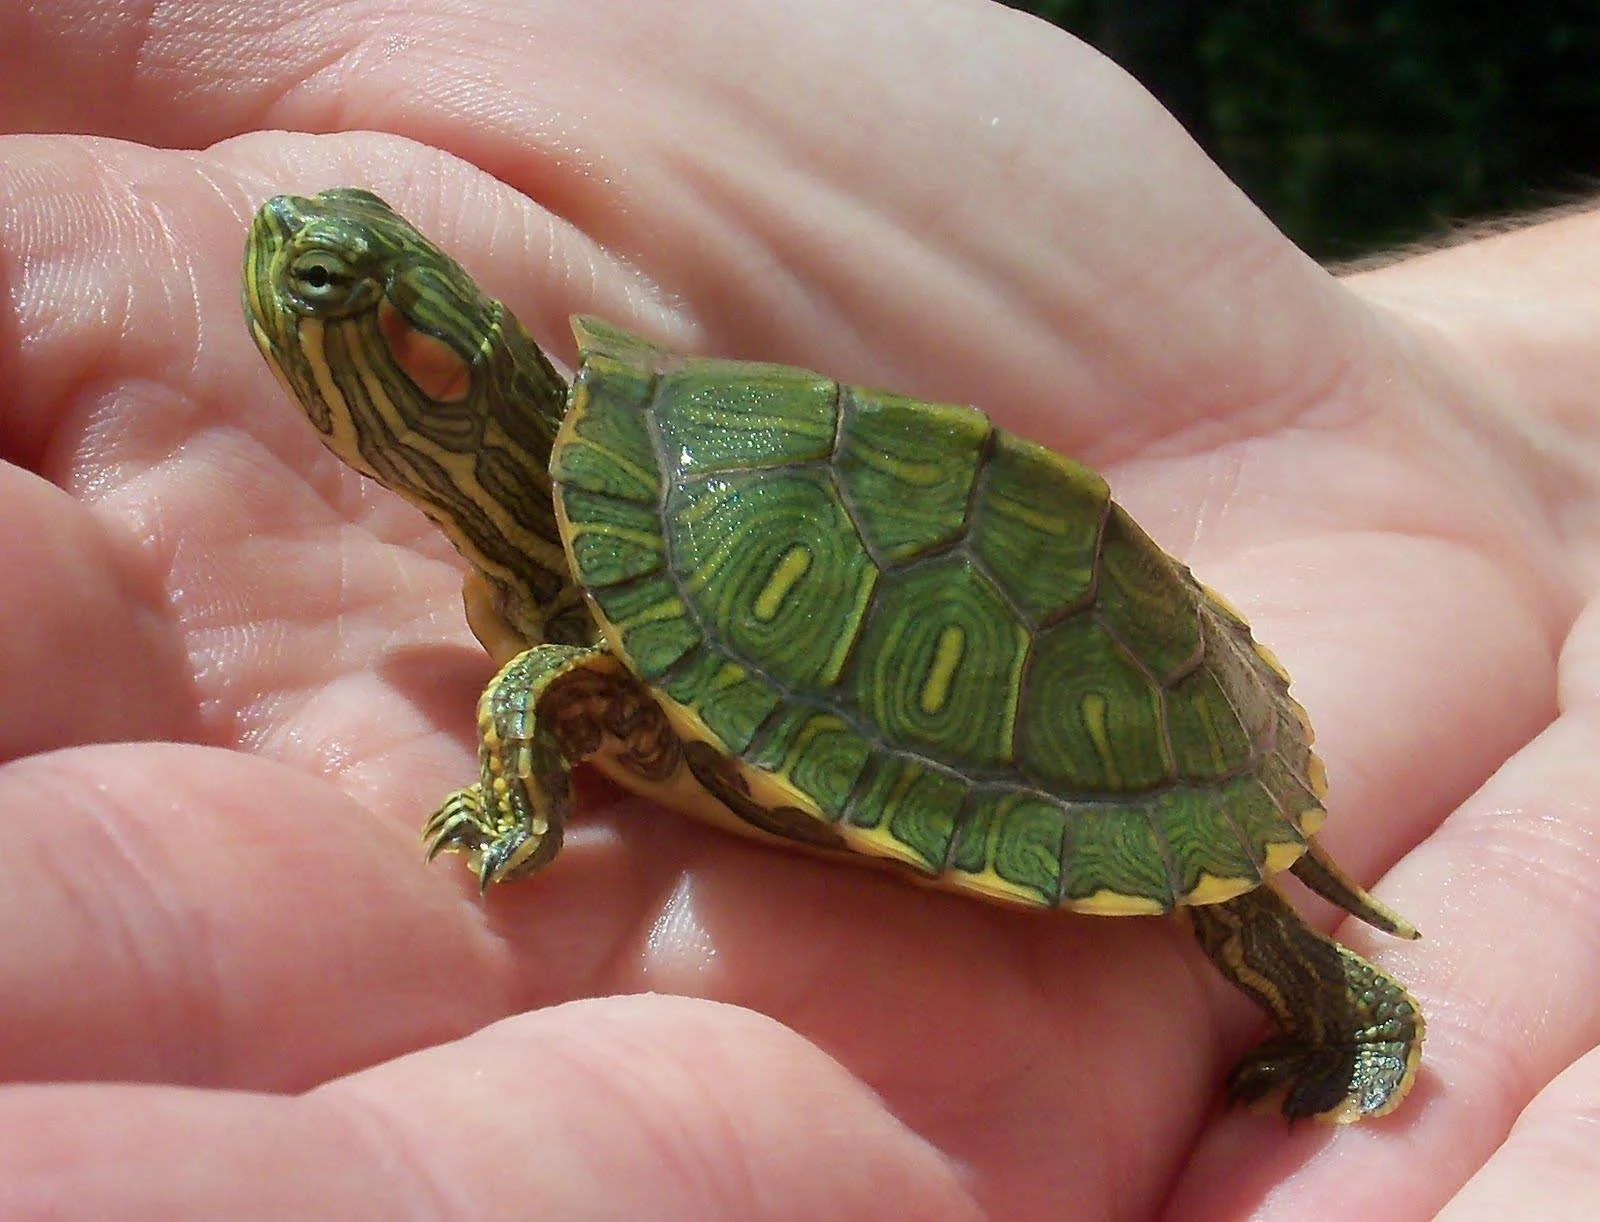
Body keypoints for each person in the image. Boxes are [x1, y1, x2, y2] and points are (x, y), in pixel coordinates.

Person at [0, 1, 1593, 1216]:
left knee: (1212, 888)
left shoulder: (591, 560)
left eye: (340, 288)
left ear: (445, 361)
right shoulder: (616, 463)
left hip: (1092, 691)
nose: (284, 263)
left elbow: (560, 686)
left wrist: (514, 793)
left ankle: (1330, 989)